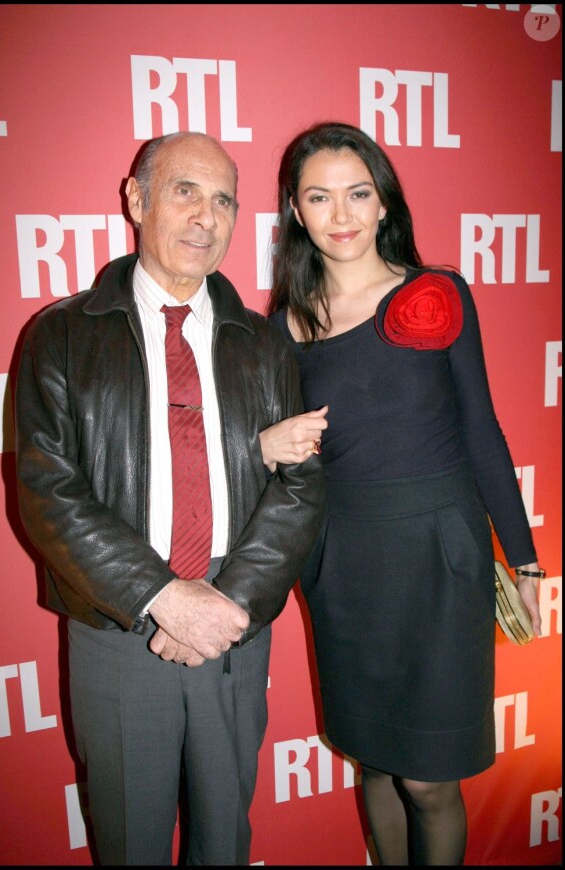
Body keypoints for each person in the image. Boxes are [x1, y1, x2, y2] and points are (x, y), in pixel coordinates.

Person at [15, 131, 326, 866]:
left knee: (226, 838)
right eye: (185, 191)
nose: (205, 216)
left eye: (224, 200)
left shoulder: (266, 344)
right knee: (129, 840)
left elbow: (300, 485)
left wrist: (230, 602)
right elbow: (47, 489)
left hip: (233, 630)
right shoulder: (62, 335)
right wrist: (162, 596)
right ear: (136, 198)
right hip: (119, 621)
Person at [259, 121, 543, 866]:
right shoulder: (284, 324)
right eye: (320, 197)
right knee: (376, 760)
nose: (342, 213)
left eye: (358, 192)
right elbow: (272, 460)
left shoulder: (436, 294)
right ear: (295, 209)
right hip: (344, 562)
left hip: (439, 557)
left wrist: (527, 560)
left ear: (385, 202)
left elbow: (483, 430)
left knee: (427, 780)